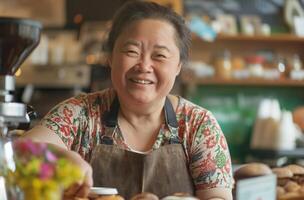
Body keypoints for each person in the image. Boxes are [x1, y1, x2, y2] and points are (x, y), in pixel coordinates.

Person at [24, 1, 233, 199]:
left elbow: (217, 197)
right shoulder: (79, 114)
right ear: (111, 57)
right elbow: (18, 151)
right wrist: (62, 158)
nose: (144, 66)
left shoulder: (198, 125)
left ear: (178, 66)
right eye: (132, 51)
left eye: (159, 55)